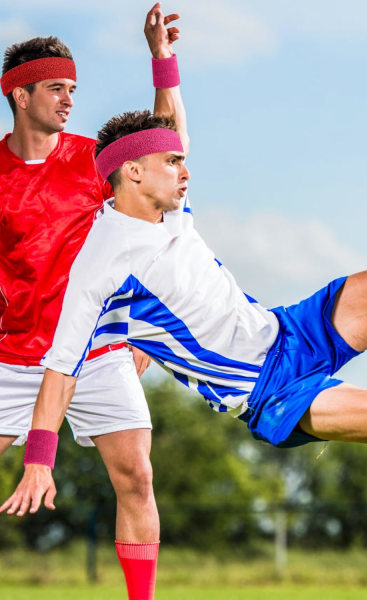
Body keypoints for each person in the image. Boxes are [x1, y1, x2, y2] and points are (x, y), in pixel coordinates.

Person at [2, 110, 367, 516]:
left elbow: (169, 121)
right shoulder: (100, 266)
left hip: (290, 328)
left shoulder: (167, 209)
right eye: (173, 161)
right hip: (270, 393)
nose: (186, 170)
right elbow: (60, 367)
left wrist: (163, 60)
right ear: (133, 172)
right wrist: (39, 462)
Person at [0, 5, 188, 599]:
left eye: (73, 89)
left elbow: (167, 149)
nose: (69, 100)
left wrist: (163, 61)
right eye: (56, 88)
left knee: (136, 477)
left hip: (99, 349)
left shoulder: (91, 160)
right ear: (20, 95)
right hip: (13, 356)